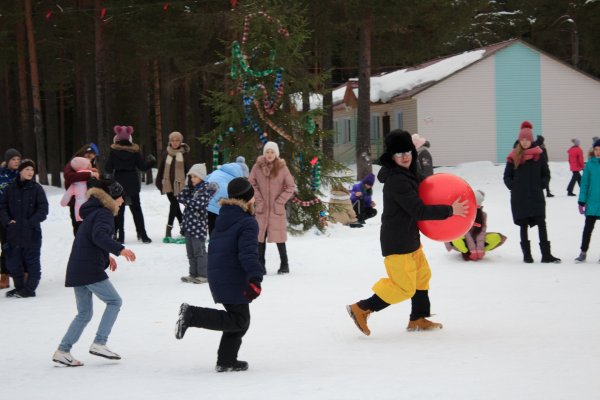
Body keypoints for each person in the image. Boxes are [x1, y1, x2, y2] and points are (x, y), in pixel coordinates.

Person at [346, 130, 469, 336]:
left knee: (422, 276)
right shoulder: (397, 180)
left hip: (410, 238)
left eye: (407, 152)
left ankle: (418, 318)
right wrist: (450, 211)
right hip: (397, 242)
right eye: (399, 153)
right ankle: (362, 308)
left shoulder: (409, 173)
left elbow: (430, 187)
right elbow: (418, 210)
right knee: (403, 287)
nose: (404, 156)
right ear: (392, 157)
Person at [175, 177, 263, 372]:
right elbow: (248, 253)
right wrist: (255, 278)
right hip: (232, 277)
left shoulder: (225, 215)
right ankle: (192, 315)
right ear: (248, 198)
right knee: (239, 320)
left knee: (240, 320)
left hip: (220, 275)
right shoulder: (247, 222)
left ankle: (226, 360)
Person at [52, 179, 136, 367]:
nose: (122, 202)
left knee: (84, 313)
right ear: (112, 197)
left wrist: (106, 257)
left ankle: (63, 350)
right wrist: (119, 249)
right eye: (121, 198)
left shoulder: (93, 212)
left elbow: (92, 240)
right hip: (88, 268)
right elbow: (99, 236)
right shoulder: (104, 214)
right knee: (114, 301)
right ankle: (100, 342)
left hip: (78, 267)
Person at [503, 121, 560, 263]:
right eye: (522, 139)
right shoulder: (513, 156)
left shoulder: (539, 156)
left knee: (541, 223)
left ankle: (546, 255)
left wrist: (542, 184)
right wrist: (513, 186)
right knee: (523, 225)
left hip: (536, 196)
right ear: (519, 140)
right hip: (520, 198)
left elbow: (546, 173)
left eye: (527, 139)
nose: (525, 142)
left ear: (531, 140)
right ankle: (527, 255)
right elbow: (506, 176)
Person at [0, 159, 49, 298]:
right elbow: (2, 207)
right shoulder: (10, 188)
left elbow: (43, 210)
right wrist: (8, 221)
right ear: (20, 171)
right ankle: (20, 288)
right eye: (27, 169)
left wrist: (29, 222)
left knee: (32, 263)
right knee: (13, 263)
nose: (30, 172)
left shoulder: (37, 188)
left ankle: (29, 289)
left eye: (32, 170)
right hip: (13, 233)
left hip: (31, 233)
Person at [249, 141, 296, 275]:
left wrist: (279, 202)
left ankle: (284, 264)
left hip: (276, 209)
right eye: (267, 152)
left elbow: (290, 187)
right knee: (260, 238)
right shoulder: (257, 167)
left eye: (272, 152)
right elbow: (251, 184)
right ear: (264, 153)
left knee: (280, 238)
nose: (269, 154)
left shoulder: (282, 168)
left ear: (276, 154)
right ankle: (260, 266)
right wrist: (259, 199)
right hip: (262, 209)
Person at [104, 125, 155, 243]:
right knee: (136, 209)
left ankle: (120, 236)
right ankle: (143, 235)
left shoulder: (113, 152)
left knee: (119, 210)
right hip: (132, 181)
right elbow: (142, 167)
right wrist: (151, 162)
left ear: (117, 138)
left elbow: (108, 168)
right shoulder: (135, 151)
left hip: (118, 182)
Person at [177, 163, 215, 283]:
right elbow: (180, 197)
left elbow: (198, 204)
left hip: (198, 226)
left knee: (199, 251)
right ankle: (193, 274)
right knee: (190, 252)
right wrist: (188, 189)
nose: (192, 179)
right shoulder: (191, 188)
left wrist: (188, 201)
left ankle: (203, 274)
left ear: (202, 177)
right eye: (191, 176)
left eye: (195, 177)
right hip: (188, 225)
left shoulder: (205, 190)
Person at [444, 190, 506, 260]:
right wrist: (471, 250)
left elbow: (481, 233)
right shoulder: (461, 214)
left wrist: (480, 250)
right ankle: (466, 252)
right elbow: (465, 234)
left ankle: (478, 252)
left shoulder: (483, 215)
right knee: (456, 237)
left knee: (496, 237)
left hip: (475, 240)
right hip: (462, 241)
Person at [155, 131, 192, 243]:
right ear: (170, 141)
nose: (175, 142)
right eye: (173, 140)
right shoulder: (166, 153)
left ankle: (169, 230)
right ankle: (183, 229)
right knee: (175, 205)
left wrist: (190, 184)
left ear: (180, 142)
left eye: (177, 140)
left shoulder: (185, 154)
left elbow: (189, 170)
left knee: (174, 205)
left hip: (180, 185)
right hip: (168, 185)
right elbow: (161, 168)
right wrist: (158, 182)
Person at [63, 143, 100, 235]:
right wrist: (89, 174)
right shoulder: (74, 163)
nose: (89, 156)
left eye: (92, 154)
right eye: (87, 153)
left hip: (90, 202)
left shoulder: (93, 166)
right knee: (79, 229)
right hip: (75, 202)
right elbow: (68, 176)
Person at [574, 139, 600, 263]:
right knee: (588, 229)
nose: (598, 152)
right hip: (592, 203)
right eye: (596, 149)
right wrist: (581, 201)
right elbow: (584, 184)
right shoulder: (589, 165)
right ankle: (583, 252)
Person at [0, 148, 21, 289]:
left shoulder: (21, 174)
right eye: (13, 159)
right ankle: (4, 275)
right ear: (7, 161)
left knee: (17, 246)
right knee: (5, 245)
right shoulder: (1, 175)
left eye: (18, 160)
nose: (16, 162)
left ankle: (21, 274)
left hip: (17, 215)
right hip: (2, 214)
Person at [205, 162, 245, 236]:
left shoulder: (217, 171)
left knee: (211, 227)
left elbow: (206, 179)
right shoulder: (235, 179)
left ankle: (212, 243)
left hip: (207, 203)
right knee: (220, 229)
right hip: (221, 206)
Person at [60, 157, 95, 223]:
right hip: (92, 209)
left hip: (79, 210)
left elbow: (67, 196)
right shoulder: (93, 177)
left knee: (80, 229)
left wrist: (63, 203)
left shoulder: (75, 183)